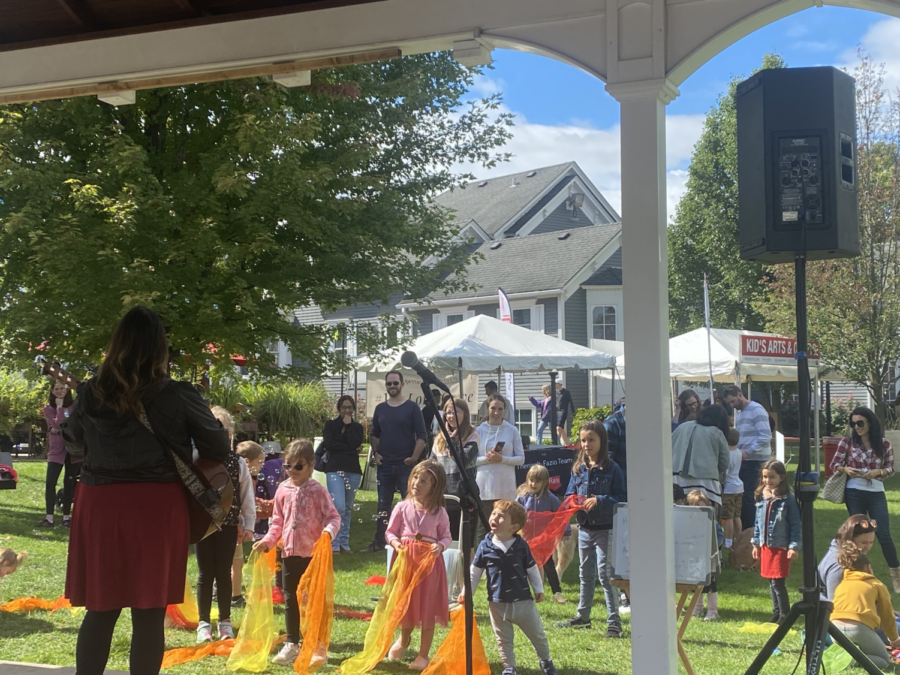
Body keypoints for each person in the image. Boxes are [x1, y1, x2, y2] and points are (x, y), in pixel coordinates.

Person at [61, 306, 230, 675]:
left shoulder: (89, 393)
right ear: (160, 347)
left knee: (100, 610)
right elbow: (219, 447)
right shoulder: (178, 394)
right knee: (149, 612)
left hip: (100, 501)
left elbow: (73, 446)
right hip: (155, 504)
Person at [254, 439, 341, 667]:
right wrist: (267, 542)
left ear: (311, 465)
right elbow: (277, 523)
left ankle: (318, 644)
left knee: (315, 600)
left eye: (298, 466)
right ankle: (292, 643)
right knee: (291, 599)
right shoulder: (283, 490)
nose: (292, 471)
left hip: (313, 556)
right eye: (288, 465)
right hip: (289, 553)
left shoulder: (318, 491)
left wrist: (327, 533)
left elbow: (334, 517)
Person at [464, 500, 558, 675]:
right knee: (503, 640)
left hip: (523, 602)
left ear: (514, 527)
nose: (495, 517)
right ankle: (509, 667)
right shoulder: (485, 545)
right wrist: (467, 592)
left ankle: (546, 662)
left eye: (501, 516)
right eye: (494, 514)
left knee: (538, 636)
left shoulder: (521, 546)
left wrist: (538, 589)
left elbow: (531, 568)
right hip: (497, 603)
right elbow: (474, 572)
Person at [558, 419, 626, 637]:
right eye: (583, 440)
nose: (586, 444)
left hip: (605, 528)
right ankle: (583, 617)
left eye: (591, 440)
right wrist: (572, 500)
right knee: (584, 574)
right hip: (584, 527)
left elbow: (622, 497)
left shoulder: (612, 468)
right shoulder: (578, 469)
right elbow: (569, 493)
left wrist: (601, 499)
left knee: (605, 575)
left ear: (601, 441)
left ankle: (614, 622)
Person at [385, 460, 451, 671]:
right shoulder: (402, 507)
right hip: (406, 562)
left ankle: (423, 655)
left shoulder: (439, 512)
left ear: (435, 486)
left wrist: (440, 547)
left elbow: (446, 537)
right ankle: (404, 640)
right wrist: (396, 544)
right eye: (415, 478)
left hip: (429, 565)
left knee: (427, 607)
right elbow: (390, 532)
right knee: (407, 604)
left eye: (424, 481)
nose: (417, 483)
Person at [195, 407, 255, 642]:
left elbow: (246, 494)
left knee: (223, 573)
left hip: (228, 525)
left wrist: (249, 523)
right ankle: (203, 622)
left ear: (229, 435)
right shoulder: (196, 460)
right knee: (204, 573)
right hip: (203, 526)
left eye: (222, 429)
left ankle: (225, 622)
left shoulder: (236, 462)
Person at [829, 406, 900, 592]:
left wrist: (879, 471)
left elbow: (891, 469)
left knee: (883, 533)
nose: (857, 427)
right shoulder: (847, 442)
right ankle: (854, 572)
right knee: (857, 533)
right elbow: (834, 464)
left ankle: (896, 577)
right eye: (853, 424)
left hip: (876, 491)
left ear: (870, 423)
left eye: (860, 423)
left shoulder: (883, 444)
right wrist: (845, 469)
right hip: (854, 490)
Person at [362, 371, 427, 554]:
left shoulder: (412, 408)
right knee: (383, 504)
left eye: (395, 383)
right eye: (389, 384)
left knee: (411, 503)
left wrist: (414, 458)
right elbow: (374, 434)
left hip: (406, 465)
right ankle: (380, 542)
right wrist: (376, 453)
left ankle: (411, 540)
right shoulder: (380, 409)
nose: (392, 386)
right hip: (385, 465)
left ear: (402, 384)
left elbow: (422, 436)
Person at [832, 547, 900, 670]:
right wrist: (894, 639)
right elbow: (887, 616)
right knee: (884, 660)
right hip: (858, 628)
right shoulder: (876, 584)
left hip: (834, 629)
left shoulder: (843, 584)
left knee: (862, 649)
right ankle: (849, 662)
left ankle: (842, 656)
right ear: (868, 567)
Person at [750, 459, 801, 624]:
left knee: (778, 582)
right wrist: (756, 543)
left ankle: (785, 615)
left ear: (782, 477)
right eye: (765, 477)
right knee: (771, 582)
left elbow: (795, 524)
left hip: (780, 546)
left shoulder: (788, 499)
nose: (767, 481)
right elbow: (757, 522)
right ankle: (777, 612)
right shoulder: (761, 497)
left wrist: (793, 546)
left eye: (772, 477)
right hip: (766, 546)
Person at [316, 395, 364, 554]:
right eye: (344, 407)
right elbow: (329, 444)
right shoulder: (331, 425)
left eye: (350, 407)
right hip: (334, 469)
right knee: (338, 506)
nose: (347, 411)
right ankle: (334, 542)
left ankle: (344, 543)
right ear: (339, 409)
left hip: (353, 470)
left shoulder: (357, 427)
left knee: (348, 508)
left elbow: (354, 442)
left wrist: (349, 428)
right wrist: (350, 449)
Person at [432, 397, 480, 554]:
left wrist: (451, 440)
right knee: (446, 540)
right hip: (443, 497)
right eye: (448, 412)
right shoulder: (439, 438)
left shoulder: (473, 435)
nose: (450, 416)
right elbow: (431, 465)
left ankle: (467, 577)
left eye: (455, 412)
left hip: (465, 497)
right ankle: (447, 576)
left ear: (465, 414)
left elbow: (463, 459)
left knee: (466, 544)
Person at [475, 395, 525, 541]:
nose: (496, 412)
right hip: (484, 487)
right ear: (487, 409)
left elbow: (521, 459)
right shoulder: (478, 430)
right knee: (483, 528)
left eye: (500, 409)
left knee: (506, 528)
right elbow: (471, 461)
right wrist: (487, 458)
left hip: (505, 487)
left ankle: (505, 559)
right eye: (493, 408)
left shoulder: (512, 430)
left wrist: (502, 459)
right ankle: (483, 561)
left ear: (504, 410)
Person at [516, 464, 568, 604]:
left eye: (538, 481)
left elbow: (561, 514)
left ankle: (557, 592)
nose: (533, 484)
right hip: (526, 540)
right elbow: (515, 512)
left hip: (544, 541)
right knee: (523, 565)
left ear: (545, 482)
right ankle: (525, 591)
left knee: (549, 566)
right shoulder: (522, 496)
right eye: (531, 480)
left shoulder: (550, 498)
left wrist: (566, 531)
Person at [723, 385, 772, 531]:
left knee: (749, 497)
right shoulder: (739, 413)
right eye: (729, 403)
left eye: (732, 401)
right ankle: (745, 531)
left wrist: (748, 452)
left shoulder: (756, 409)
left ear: (740, 394)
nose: (732, 405)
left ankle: (752, 532)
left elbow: (765, 435)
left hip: (755, 460)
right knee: (742, 497)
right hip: (743, 459)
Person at [671, 404, 730, 506]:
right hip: (706, 481)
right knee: (705, 516)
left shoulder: (682, 427)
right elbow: (724, 462)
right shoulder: (716, 432)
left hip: (677, 478)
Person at [40, 382, 80, 528]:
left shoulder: (74, 405)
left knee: (69, 483)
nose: (59, 391)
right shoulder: (48, 408)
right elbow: (57, 425)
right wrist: (58, 408)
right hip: (56, 450)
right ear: (52, 391)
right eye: (56, 389)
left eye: (62, 388)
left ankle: (66, 518)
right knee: (50, 482)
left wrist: (61, 425)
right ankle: (49, 518)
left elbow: (70, 424)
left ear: (67, 389)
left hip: (73, 450)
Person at [232, 440, 266, 607]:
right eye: (259, 462)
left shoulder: (248, 478)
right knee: (236, 562)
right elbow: (247, 502)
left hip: (235, 524)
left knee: (231, 562)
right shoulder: (246, 478)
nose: (261, 466)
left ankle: (223, 591)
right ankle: (235, 596)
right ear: (246, 461)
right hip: (235, 524)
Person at [685, 490, 725, 621]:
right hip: (694, 560)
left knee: (710, 585)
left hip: (709, 559)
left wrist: (712, 546)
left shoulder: (712, 523)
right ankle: (697, 608)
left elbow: (719, 538)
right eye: (695, 507)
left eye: (702, 507)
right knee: (696, 585)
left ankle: (713, 610)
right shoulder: (688, 524)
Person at [819, 515, 877, 602]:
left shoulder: (852, 555)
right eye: (864, 542)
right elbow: (835, 604)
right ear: (849, 539)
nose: (868, 547)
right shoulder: (839, 564)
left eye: (871, 542)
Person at [721, 428, 743, 553]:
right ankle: (738, 539)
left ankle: (728, 541)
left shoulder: (727, 455)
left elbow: (726, 474)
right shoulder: (739, 452)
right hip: (739, 486)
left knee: (728, 516)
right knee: (737, 515)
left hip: (729, 487)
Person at [555, 381, 575, 446]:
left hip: (563, 411)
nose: (555, 384)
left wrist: (573, 413)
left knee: (558, 428)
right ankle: (566, 444)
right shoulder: (556, 392)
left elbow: (571, 402)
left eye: (556, 383)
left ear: (559, 384)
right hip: (557, 411)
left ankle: (557, 443)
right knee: (562, 429)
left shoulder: (566, 392)